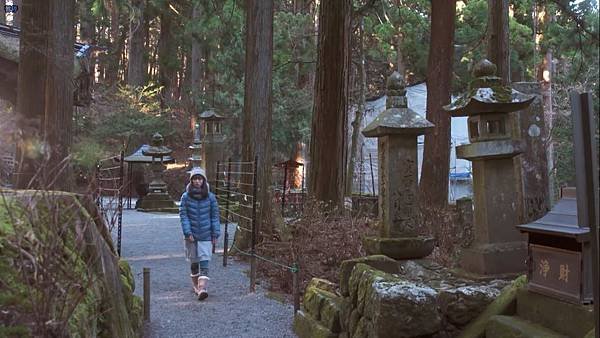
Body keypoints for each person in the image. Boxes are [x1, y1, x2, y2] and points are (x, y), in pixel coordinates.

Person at [179, 167, 220, 300]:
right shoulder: (185, 197)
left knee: (205, 261)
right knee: (194, 263)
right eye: (195, 179)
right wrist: (187, 232)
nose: (197, 181)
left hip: (206, 234)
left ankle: (202, 288)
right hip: (191, 236)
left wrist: (215, 234)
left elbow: (215, 217)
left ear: (203, 180)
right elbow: (183, 216)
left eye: (200, 179)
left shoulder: (211, 197)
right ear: (191, 181)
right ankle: (196, 287)